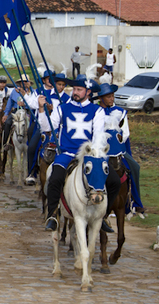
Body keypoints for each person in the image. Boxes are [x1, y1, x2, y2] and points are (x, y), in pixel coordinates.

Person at [40, 75, 120, 233]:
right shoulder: (62, 108)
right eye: (74, 89)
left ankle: (103, 215)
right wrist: (42, 109)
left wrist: (93, 154)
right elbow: (46, 127)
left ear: (88, 92)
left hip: (88, 155)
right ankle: (52, 216)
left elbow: (97, 135)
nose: (74, 92)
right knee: (55, 179)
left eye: (79, 90)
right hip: (67, 153)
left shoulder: (97, 111)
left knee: (114, 181)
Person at [97, 83, 144, 215]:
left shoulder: (120, 112)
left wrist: (119, 137)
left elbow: (126, 133)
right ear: (101, 98)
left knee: (135, 167)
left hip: (118, 149)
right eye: (108, 97)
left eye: (112, 96)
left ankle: (135, 202)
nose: (112, 99)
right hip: (100, 150)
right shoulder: (96, 111)